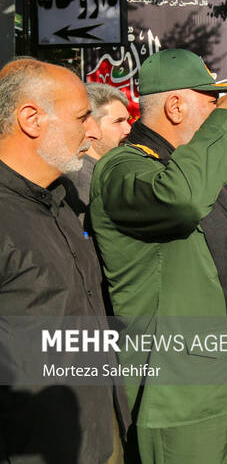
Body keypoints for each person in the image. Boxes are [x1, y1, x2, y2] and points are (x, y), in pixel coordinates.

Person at [90, 49, 227, 464]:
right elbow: (181, 200)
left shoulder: (188, 165)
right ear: (175, 106)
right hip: (182, 395)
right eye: (210, 102)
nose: (219, 111)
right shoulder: (123, 168)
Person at [0, 58, 129, 463]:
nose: (93, 132)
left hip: (98, 428)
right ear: (31, 119)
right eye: (81, 117)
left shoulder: (63, 199)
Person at [61, 82, 131, 227]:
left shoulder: (112, 168)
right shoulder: (77, 181)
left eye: (127, 120)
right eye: (118, 121)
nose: (128, 129)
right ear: (89, 125)